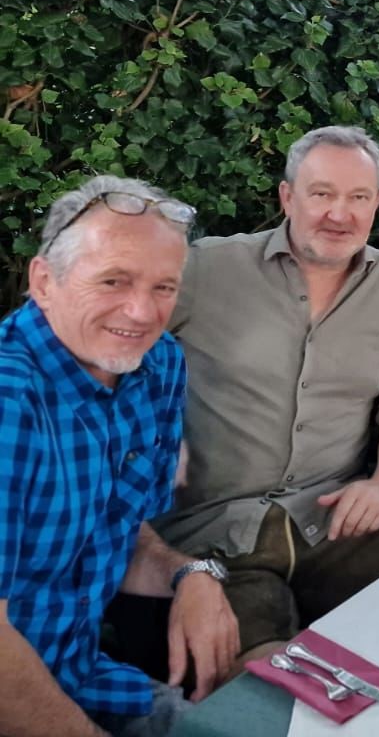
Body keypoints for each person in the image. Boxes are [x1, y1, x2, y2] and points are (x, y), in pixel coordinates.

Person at [154, 126, 379, 665]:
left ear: (377, 203)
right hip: (213, 539)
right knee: (263, 681)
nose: (340, 214)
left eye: (358, 197)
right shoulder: (206, 268)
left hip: (335, 522)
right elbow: (102, 344)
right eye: (322, 193)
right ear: (287, 197)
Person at [1, 177, 239, 737]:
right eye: (114, 280)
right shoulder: (11, 400)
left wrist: (190, 574)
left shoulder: (157, 366)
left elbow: (117, 533)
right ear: (44, 281)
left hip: (84, 678)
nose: (141, 312)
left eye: (164, 287)